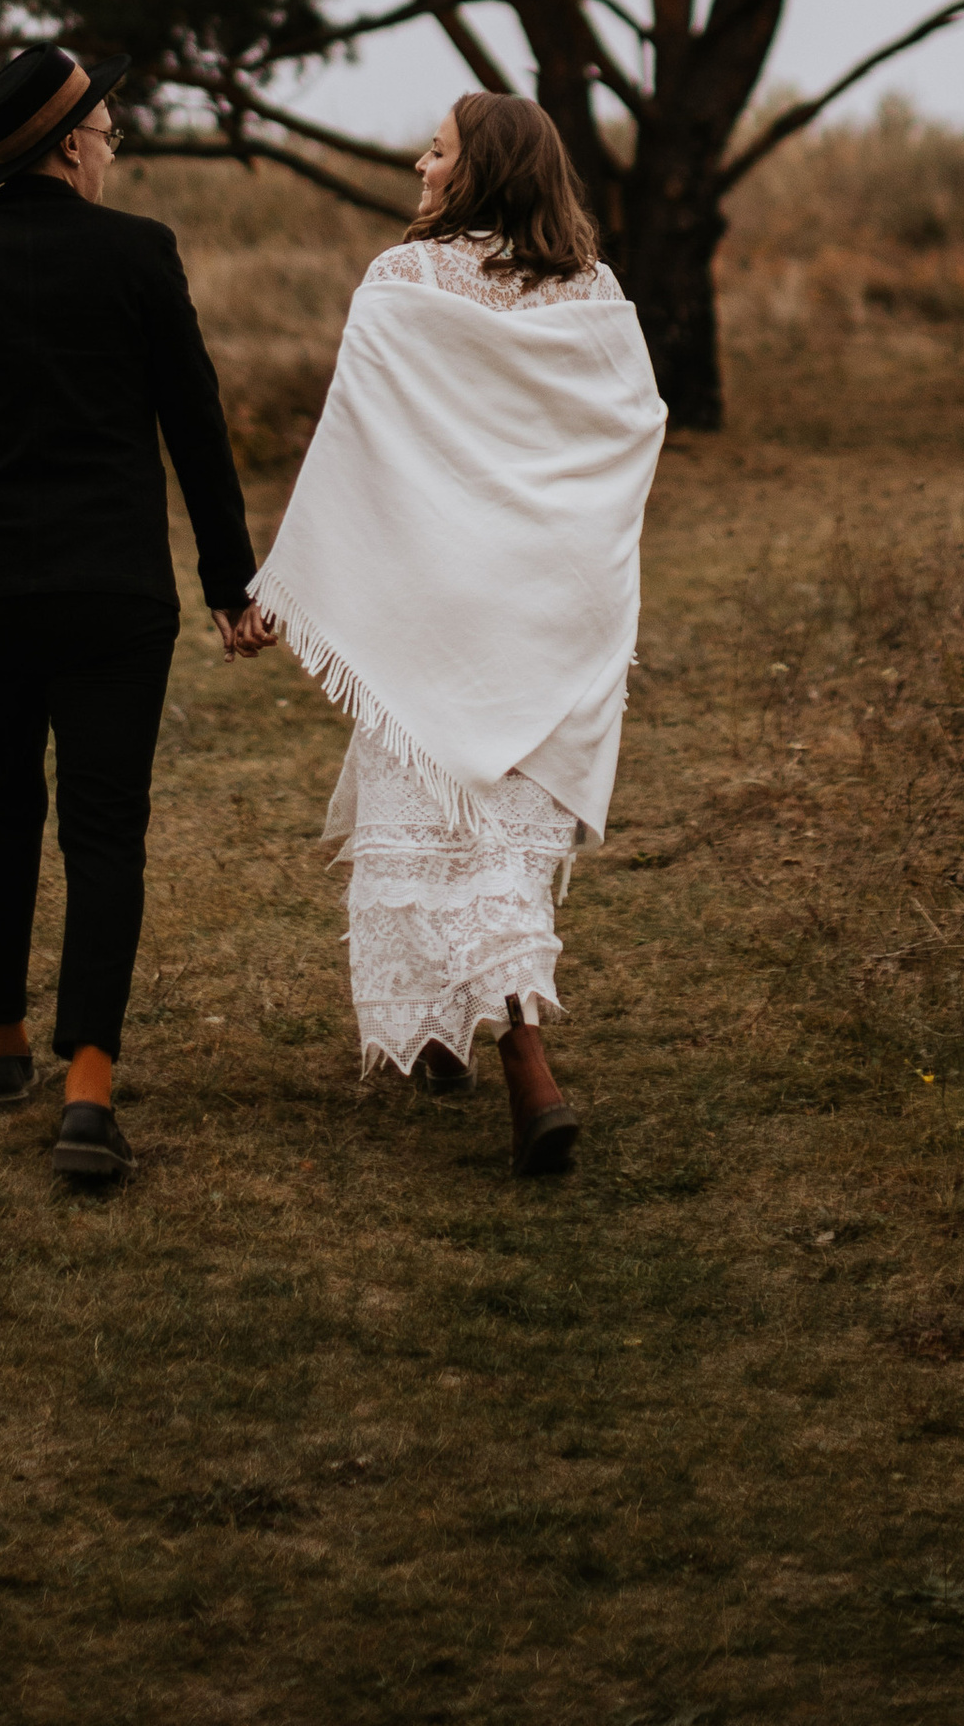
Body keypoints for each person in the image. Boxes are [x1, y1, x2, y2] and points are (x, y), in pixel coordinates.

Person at [0, 43, 270, 1181]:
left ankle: (1, 1042)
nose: (113, 145)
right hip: (113, 592)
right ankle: (88, 1090)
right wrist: (230, 586)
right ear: (74, 145)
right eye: (108, 129)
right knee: (103, 826)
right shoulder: (141, 253)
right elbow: (196, 426)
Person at [253, 92, 666, 1175]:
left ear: (477, 172)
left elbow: (356, 448)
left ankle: (526, 1066)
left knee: (450, 824)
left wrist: (285, 579)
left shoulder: (402, 281)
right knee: (495, 838)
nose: (420, 166)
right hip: (544, 610)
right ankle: (453, 1039)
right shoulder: (595, 293)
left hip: (437, 605)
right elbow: (634, 428)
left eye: (436, 152)